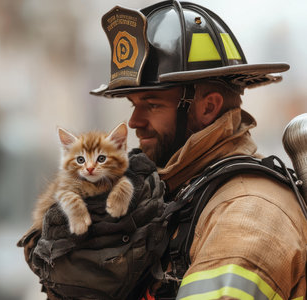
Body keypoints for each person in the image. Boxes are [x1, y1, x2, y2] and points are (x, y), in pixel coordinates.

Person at [89, 1, 307, 299]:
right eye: (133, 104)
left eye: (152, 104)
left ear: (208, 107)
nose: (134, 121)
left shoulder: (247, 211)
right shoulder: (179, 197)